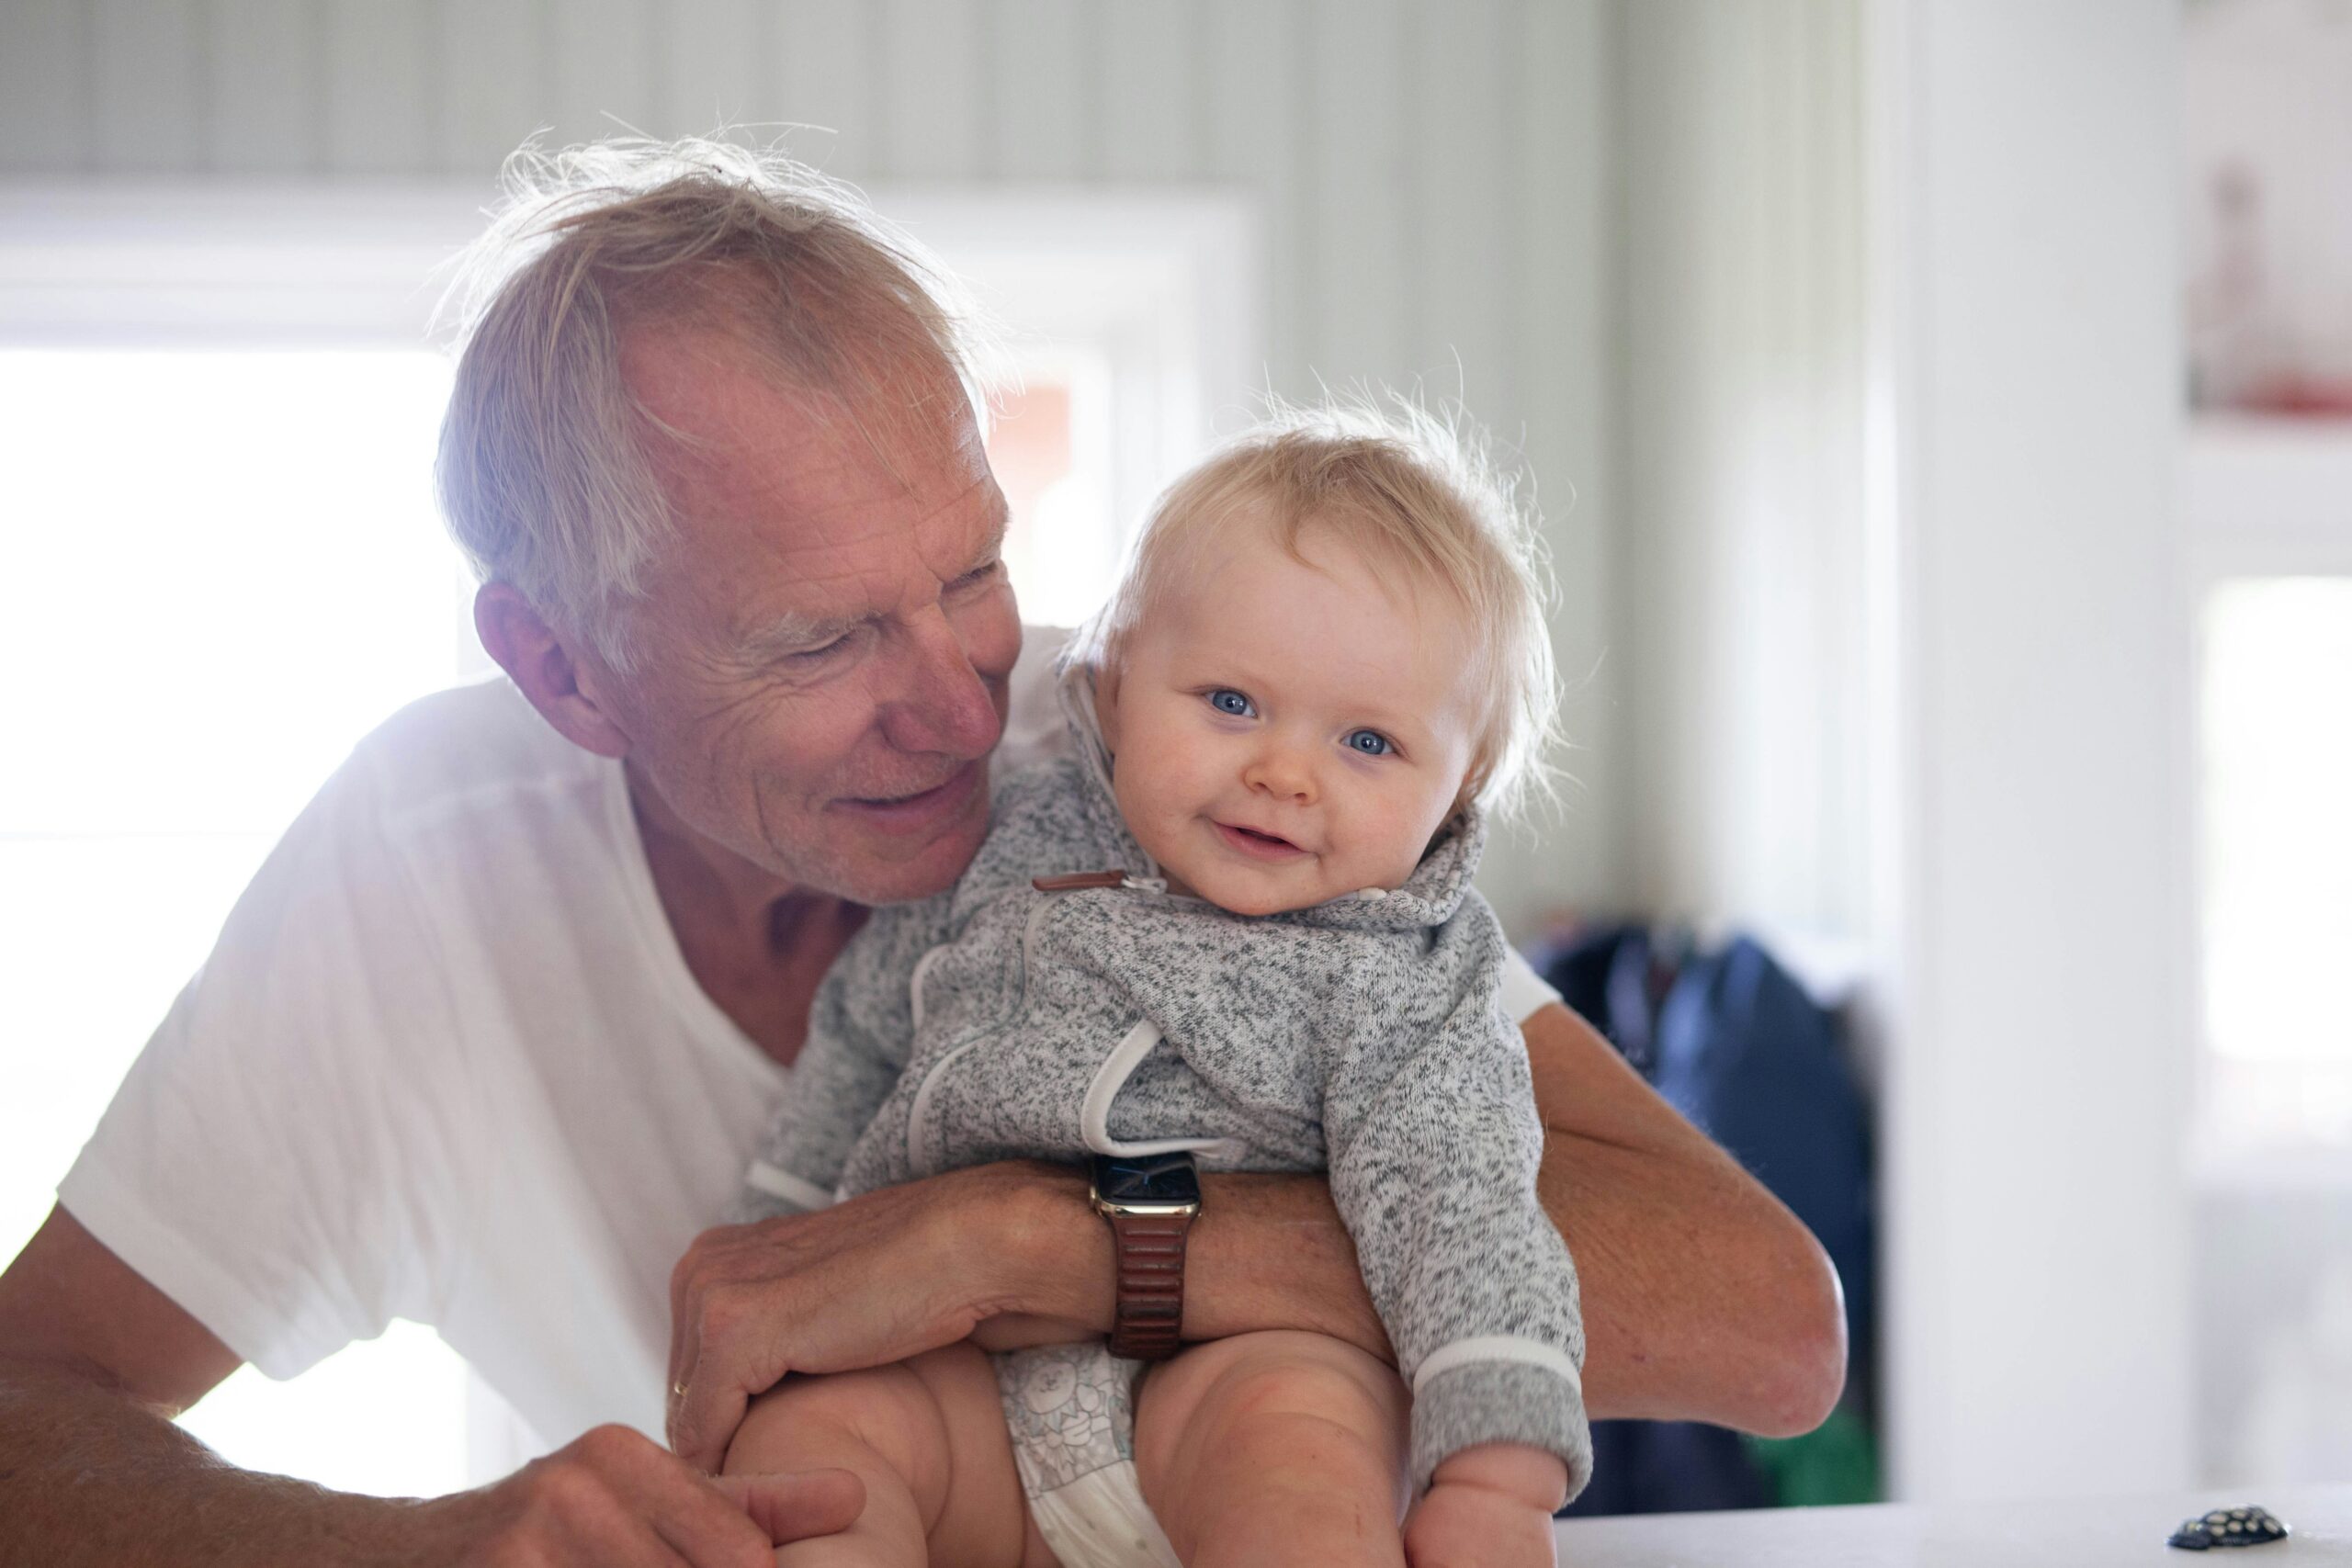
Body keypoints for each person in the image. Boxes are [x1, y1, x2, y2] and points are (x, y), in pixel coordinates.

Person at [0, 140, 1845, 1567]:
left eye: (970, 570)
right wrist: (420, 1542)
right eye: (817, 642)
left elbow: (1762, 1319)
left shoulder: (1153, 746)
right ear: (564, 669)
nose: (968, 711)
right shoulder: (417, 877)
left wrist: (1033, 1240)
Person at [723, 403, 1588, 1568]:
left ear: (1462, 779)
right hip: (958, 1380)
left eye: (1369, 744)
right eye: (1231, 703)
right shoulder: (1006, 841)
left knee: (1307, 1456)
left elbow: (1466, 1210)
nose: (1283, 773)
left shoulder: (1408, 970)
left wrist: (1499, 1483)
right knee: (811, 1455)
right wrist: (788, 1246)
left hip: (1235, 1379)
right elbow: (867, 1028)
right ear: (1115, 684)